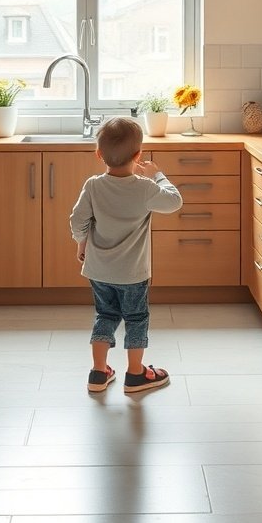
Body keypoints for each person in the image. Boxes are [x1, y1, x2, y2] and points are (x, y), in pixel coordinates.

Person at [70, 117, 183, 394]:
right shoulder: (145, 188)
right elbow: (175, 201)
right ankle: (135, 374)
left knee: (104, 314)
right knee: (136, 318)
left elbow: (77, 220)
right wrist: (156, 174)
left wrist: (81, 243)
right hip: (133, 273)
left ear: (99, 154)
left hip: (98, 270)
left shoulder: (93, 185)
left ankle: (98, 373)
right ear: (138, 155)